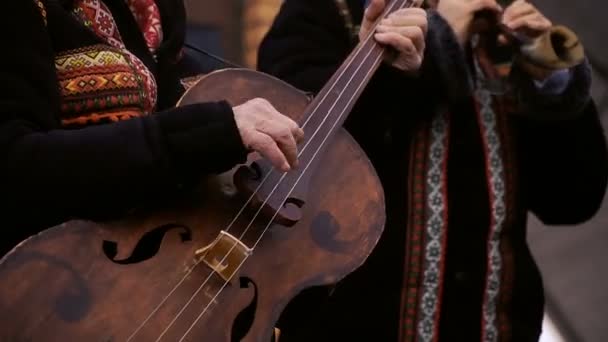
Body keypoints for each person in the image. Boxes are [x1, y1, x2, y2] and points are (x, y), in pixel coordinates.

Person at [257, 0, 608, 341]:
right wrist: (440, 43)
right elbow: (294, 156)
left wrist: (551, 85)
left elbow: (573, 200)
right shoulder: (327, 12)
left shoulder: (500, 42)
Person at [0, 0, 310, 256]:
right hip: (49, 293)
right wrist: (211, 132)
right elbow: (16, 167)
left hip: (146, 291)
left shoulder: (152, 23)